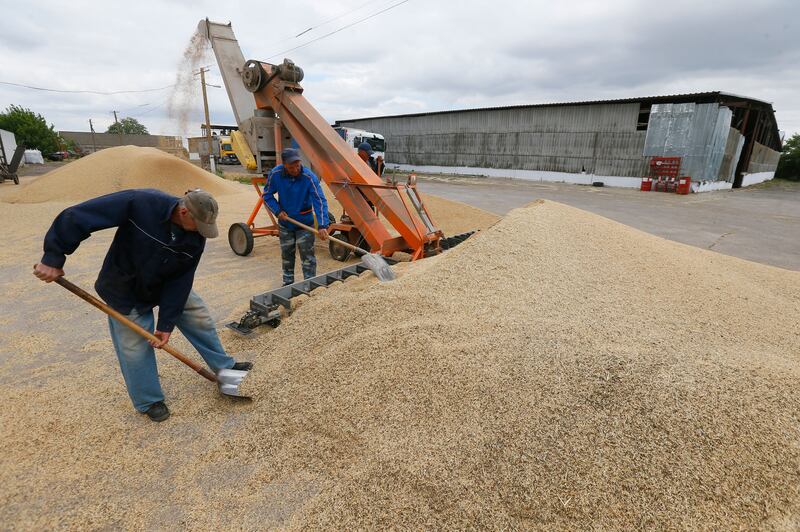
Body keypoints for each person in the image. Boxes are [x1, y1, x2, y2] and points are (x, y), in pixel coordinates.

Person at [33, 188, 251, 422]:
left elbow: (181, 280)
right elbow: (78, 216)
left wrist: (166, 324)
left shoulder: (196, 235)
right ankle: (149, 400)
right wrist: (53, 257)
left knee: (198, 315)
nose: (200, 232)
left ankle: (224, 368)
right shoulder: (141, 203)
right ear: (184, 211)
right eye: (198, 224)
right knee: (134, 346)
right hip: (125, 287)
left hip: (165, 283)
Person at [263, 148, 330, 286]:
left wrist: (323, 225)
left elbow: (320, 200)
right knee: (287, 255)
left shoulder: (309, 177)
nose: (295, 169)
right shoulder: (276, 174)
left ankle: (310, 285)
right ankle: (288, 284)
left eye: (297, 165)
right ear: (284, 165)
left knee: (308, 257)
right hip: (285, 223)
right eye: (291, 167)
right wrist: (277, 211)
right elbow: (267, 195)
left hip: (304, 224)